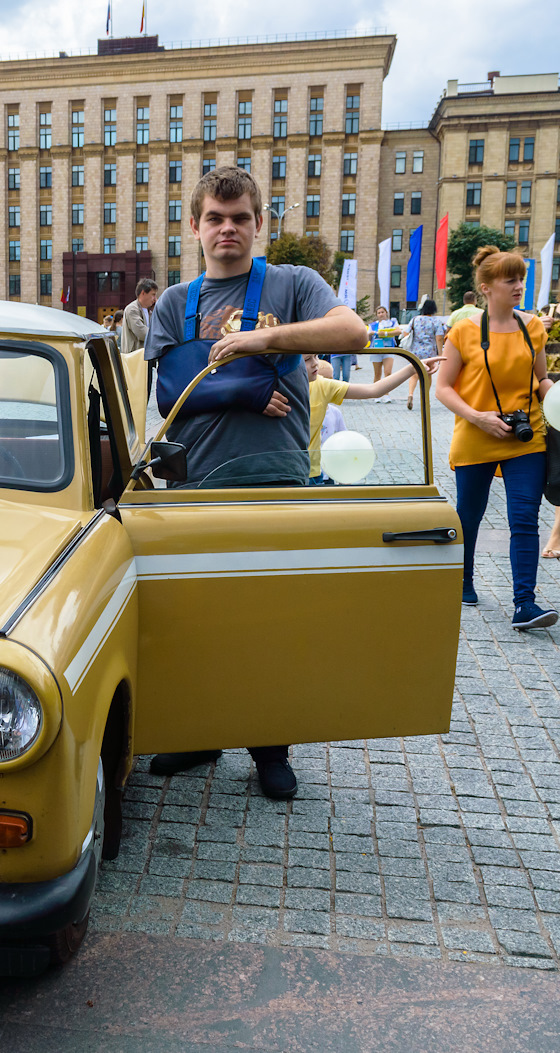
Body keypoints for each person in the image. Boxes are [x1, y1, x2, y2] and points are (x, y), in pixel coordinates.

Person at [143, 165, 368, 798]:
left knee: (271, 619)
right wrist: (246, 389)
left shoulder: (292, 283)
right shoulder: (173, 302)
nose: (227, 229)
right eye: (214, 218)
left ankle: (270, 745)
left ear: (259, 223)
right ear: (194, 226)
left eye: (240, 218)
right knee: (200, 619)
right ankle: (201, 732)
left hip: (274, 483)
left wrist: (257, 342)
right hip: (196, 486)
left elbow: (352, 332)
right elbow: (168, 396)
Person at [434, 245, 557, 630]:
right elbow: (442, 386)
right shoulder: (464, 332)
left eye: (520, 278)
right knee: (469, 515)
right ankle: (463, 579)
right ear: (486, 288)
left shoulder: (533, 327)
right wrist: (477, 417)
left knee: (524, 516)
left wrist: (553, 397)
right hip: (476, 432)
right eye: (510, 280)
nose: (519, 286)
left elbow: (540, 380)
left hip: (526, 437)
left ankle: (526, 604)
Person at [305, 351, 443, 482]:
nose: (315, 363)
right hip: (285, 470)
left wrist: (412, 367)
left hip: (313, 473)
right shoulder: (283, 386)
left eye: (316, 356)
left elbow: (373, 390)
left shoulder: (322, 385)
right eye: (307, 359)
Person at [404, 299, 445, 410]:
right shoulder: (436, 321)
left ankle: (410, 394)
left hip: (415, 351)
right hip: (429, 352)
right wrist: (440, 354)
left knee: (414, 374)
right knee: (428, 374)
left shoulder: (415, 319)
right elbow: (439, 338)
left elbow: (405, 333)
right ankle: (424, 399)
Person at [120, 278, 158, 354]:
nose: (155, 299)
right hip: (134, 357)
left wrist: (157, 309)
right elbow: (142, 333)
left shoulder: (150, 310)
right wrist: (161, 336)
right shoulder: (132, 309)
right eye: (153, 295)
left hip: (145, 356)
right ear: (143, 293)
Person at [368, 305, 398, 400]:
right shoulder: (373, 325)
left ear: (386, 313)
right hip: (376, 349)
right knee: (377, 373)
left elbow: (398, 331)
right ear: (376, 315)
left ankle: (386, 394)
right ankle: (376, 394)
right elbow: (368, 335)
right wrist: (371, 334)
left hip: (388, 349)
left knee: (388, 372)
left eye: (382, 312)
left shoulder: (392, 322)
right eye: (379, 313)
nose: (381, 314)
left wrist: (385, 333)